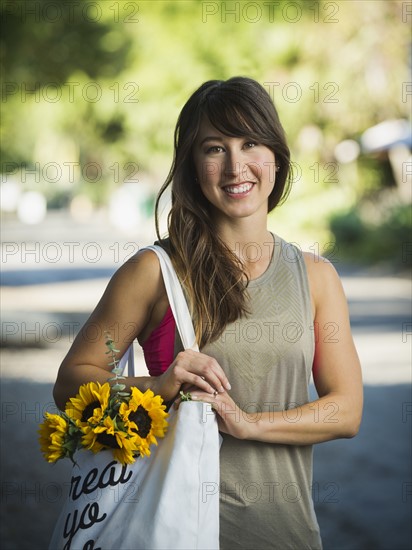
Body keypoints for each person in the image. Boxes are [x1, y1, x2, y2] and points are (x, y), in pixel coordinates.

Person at [54, 76, 363, 549]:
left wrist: (251, 423)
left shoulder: (315, 276)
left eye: (251, 143)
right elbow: (71, 381)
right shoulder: (153, 272)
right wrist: (155, 388)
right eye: (215, 148)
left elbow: (346, 410)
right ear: (193, 166)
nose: (236, 165)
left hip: (289, 535)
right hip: (174, 534)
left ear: (276, 157)